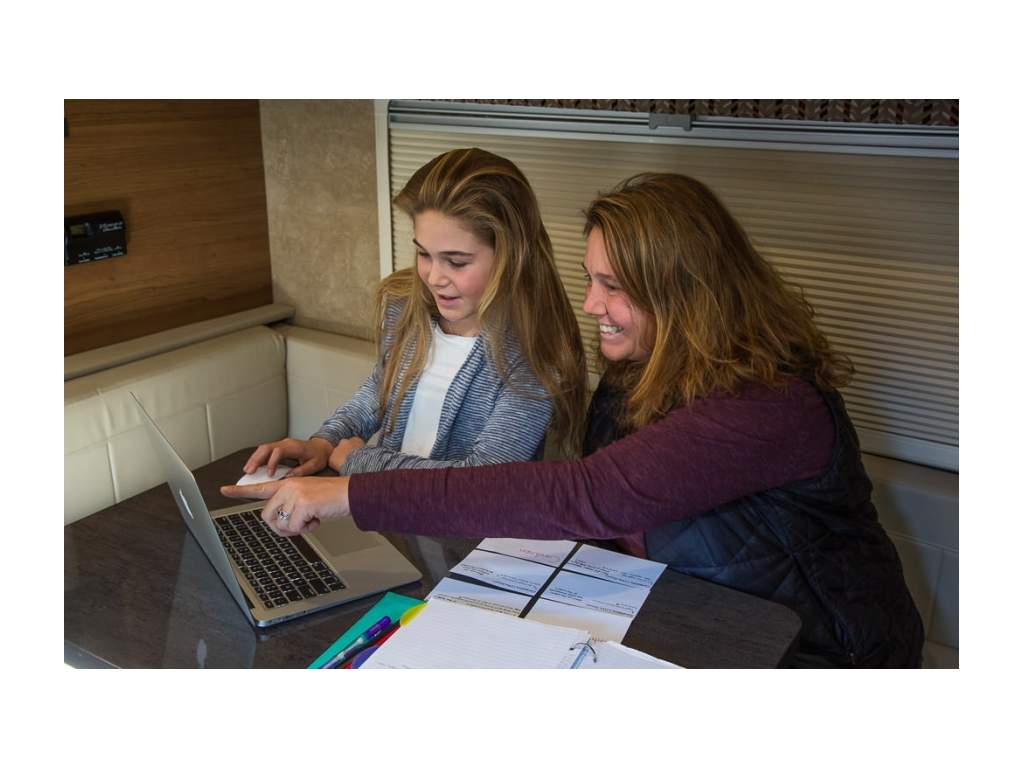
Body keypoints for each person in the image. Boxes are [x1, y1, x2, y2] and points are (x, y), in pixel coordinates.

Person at [224, 173, 925, 668]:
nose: (590, 306)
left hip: (819, 653)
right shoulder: (641, 370)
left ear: (687, 295)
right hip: (673, 615)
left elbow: (586, 495)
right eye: (591, 279)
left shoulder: (771, 405)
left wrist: (351, 488)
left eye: (614, 287)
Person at [243, 148, 588, 479]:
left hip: (464, 537)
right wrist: (324, 441)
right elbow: (382, 387)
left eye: (456, 261)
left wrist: (358, 460)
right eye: (424, 254)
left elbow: (482, 480)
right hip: (390, 518)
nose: (434, 278)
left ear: (512, 255)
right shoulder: (407, 306)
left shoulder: (535, 354)